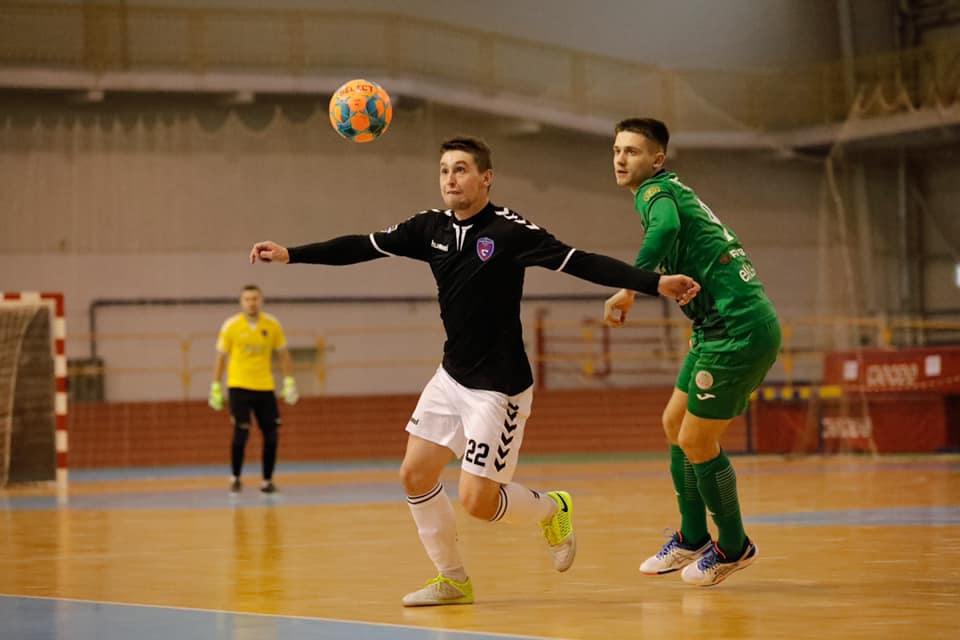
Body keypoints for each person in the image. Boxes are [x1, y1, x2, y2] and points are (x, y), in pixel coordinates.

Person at [249, 135, 700, 606]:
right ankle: (453, 579)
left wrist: (653, 283)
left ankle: (552, 509)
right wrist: (290, 253)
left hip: (498, 389)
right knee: (414, 474)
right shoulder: (429, 227)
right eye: (444, 170)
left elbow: (580, 262)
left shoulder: (510, 231)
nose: (450, 179)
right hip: (450, 377)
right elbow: (362, 246)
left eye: (461, 169)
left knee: (478, 503)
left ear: (486, 178)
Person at [603, 118, 780, 586]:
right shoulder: (670, 190)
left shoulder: (655, 192)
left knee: (698, 440)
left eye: (632, 152)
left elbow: (664, 229)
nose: (620, 159)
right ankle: (693, 538)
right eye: (617, 150)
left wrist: (631, 286)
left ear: (657, 160)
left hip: (738, 330)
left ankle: (734, 547)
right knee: (674, 424)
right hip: (713, 328)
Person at [209, 284, 299, 494]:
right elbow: (221, 357)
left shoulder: (272, 324)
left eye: (255, 298)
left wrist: (289, 381)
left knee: (271, 434)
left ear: (261, 300)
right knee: (241, 432)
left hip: (264, 386)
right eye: (247, 299)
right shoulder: (231, 325)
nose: (251, 303)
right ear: (241, 302)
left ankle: (267, 480)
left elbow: (283, 354)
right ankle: (235, 477)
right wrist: (215, 386)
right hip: (238, 386)